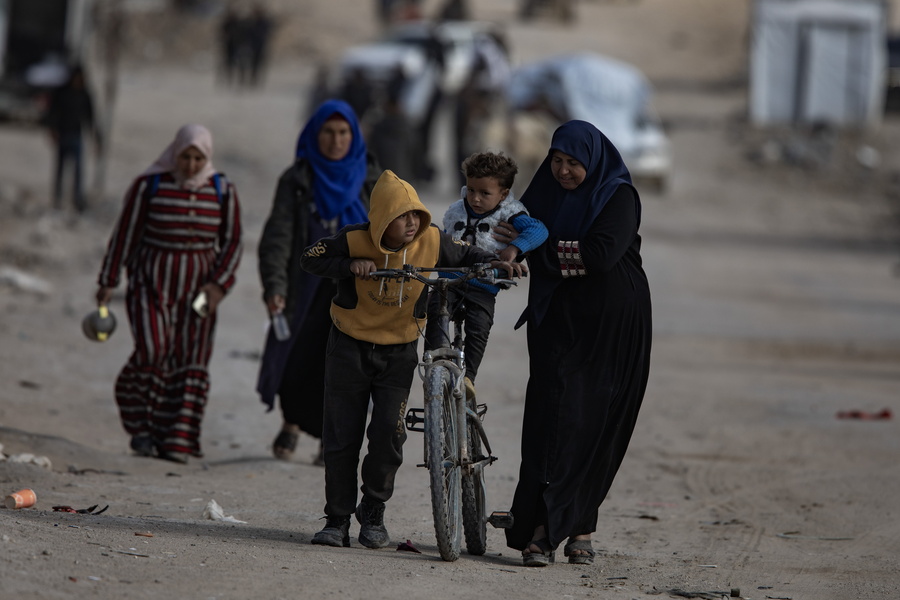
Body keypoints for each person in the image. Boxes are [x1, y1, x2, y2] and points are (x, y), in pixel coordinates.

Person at [299, 169, 525, 549]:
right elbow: (310, 258)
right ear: (381, 219)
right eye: (401, 216)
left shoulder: (431, 240)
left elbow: (466, 254)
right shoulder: (353, 239)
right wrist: (348, 266)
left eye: (416, 214)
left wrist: (498, 262)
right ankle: (336, 519)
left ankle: (373, 512)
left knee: (389, 435)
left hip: (399, 350)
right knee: (341, 437)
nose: (412, 223)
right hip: (348, 347)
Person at [499, 120, 652, 566]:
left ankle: (569, 527)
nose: (563, 171)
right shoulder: (544, 193)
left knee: (593, 421)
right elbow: (508, 228)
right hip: (555, 319)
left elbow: (600, 256)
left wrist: (538, 249)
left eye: (573, 162)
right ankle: (549, 524)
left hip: (611, 325)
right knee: (551, 419)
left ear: (593, 161)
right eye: (557, 160)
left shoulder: (618, 195)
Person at [95, 124, 243, 464]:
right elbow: (125, 235)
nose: (191, 165)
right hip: (151, 284)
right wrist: (108, 280)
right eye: (185, 157)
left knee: (190, 358)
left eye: (198, 158)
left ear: (207, 158)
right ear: (174, 154)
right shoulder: (150, 186)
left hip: (201, 291)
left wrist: (218, 286)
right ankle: (138, 423)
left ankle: (175, 440)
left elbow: (233, 242)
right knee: (153, 349)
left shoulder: (222, 190)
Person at [256, 99, 381, 464]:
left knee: (346, 368)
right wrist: (275, 286)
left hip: (355, 291)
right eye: (328, 131)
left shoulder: (372, 180)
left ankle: (331, 440)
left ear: (354, 136)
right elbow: (278, 238)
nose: (336, 140)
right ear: (314, 134)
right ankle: (292, 421)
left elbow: (391, 234)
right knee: (296, 361)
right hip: (305, 289)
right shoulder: (297, 181)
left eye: (343, 132)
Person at [424, 151, 547, 402]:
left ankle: (468, 377)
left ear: (503, 194)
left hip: (483, 285)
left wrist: (515, 248)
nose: (475, 198)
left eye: (484, 193)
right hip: (451, 280)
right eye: (471, 190)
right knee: (436, 308)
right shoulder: (456, 210)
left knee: (479, 328)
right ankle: (436, 363)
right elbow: (444, 240)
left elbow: (539, 230)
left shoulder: (511, 213)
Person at [45, 64, 100, 213]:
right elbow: (52, 113)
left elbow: (90, 117)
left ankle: (78, 200)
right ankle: (57, 198)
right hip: (63, 135)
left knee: (78, 171)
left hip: (76, 136)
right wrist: (52, 129)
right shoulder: (62, 92)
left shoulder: (84, 94)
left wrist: (96, 138)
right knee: (61, 169)